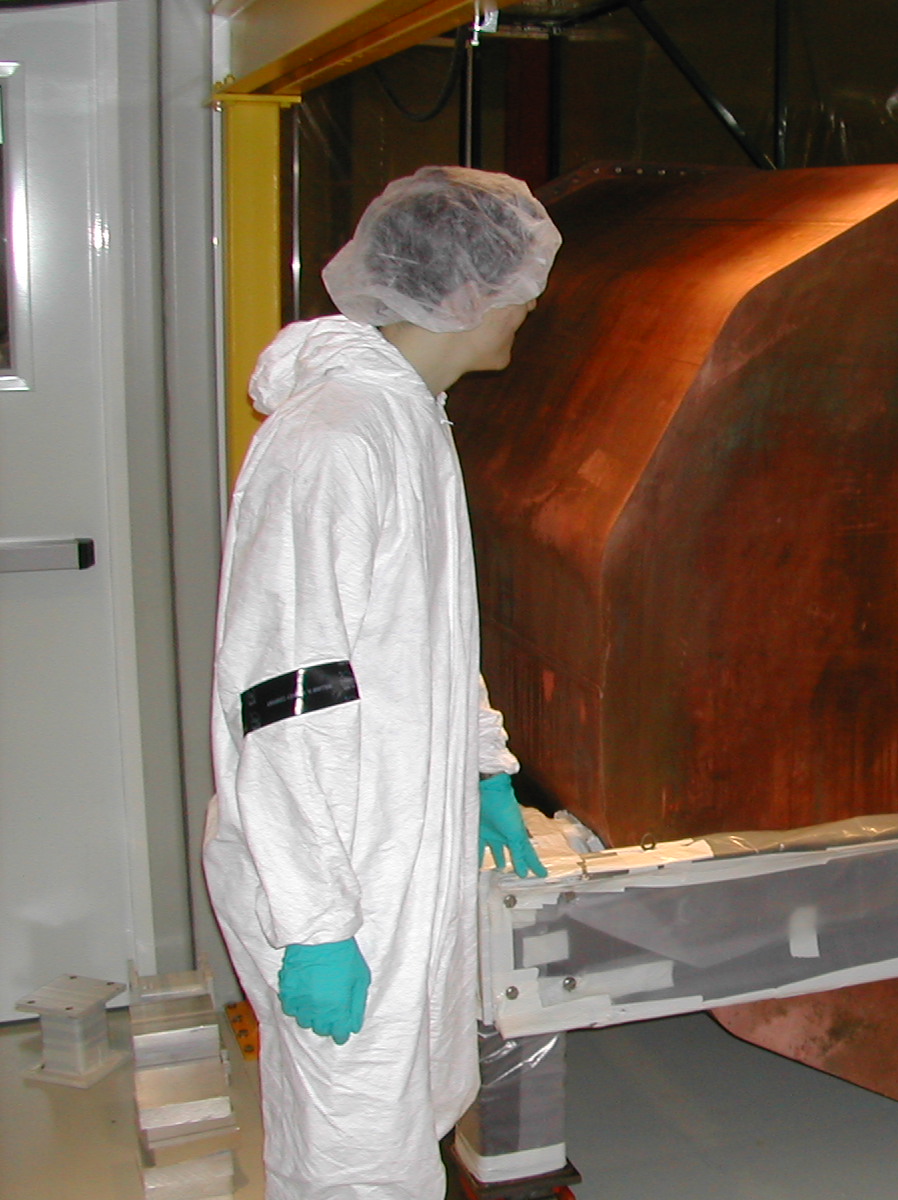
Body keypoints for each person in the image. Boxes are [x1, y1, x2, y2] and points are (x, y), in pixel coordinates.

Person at [204, 167, 562, 1200]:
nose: (528, 309)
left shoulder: (410, 415)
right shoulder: (335, 440)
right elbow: (281, 698)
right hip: (334, 864)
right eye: (520, 289)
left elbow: (426, 633)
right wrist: (316, 922)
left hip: (393, 844)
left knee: (402, 1119)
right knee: (352, 1155)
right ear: (469, 292)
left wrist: (484, 765)